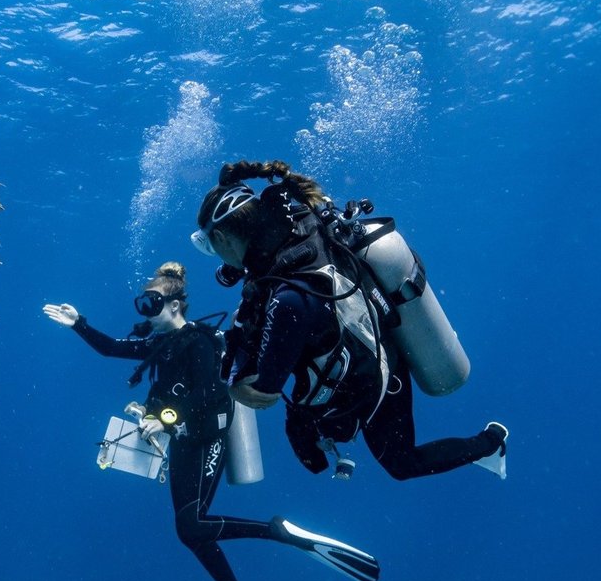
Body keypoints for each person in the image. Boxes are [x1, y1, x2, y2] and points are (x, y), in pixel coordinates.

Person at [43, 261, 379, 581]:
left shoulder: (200, 342)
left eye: (153, 302)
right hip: (183, 441)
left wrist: (165, 419)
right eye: (143, 303)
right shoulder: (161, 344)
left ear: (176, 304)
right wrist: (79, 324)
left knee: (189, 526)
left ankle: (277, 533)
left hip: (207, 439)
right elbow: (110, 348)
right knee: (191, 530)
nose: (146, 310)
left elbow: (210, 394)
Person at [191, 160, 509, 481]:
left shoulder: (288, 297)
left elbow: (263, 394)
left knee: (392, 464)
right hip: (378, 344)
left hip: (371, 377)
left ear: (221, 235)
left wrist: (234, 371)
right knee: (388, 458)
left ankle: (491, 443)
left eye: (210, 245)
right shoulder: (297, 225)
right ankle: (490, 444)